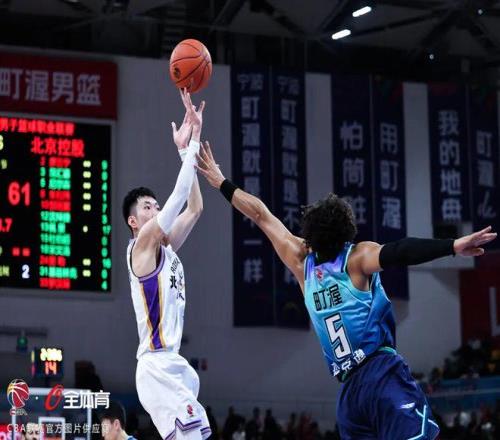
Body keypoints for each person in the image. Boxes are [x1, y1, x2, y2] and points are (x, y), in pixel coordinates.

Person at [195, 142, 497, 440]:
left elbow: (261, 215)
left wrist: (222, 182)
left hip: (350, 397)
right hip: (382, 375)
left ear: (310, 234)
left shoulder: (300, 263)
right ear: (346, 231)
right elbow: (401, 251)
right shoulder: (356, 259)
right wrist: (452, 246)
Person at [122, 89, 210, 440]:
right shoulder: (141, 246)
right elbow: (179, 198)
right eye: (147, 207)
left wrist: (184, 150)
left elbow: (195, 208)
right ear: (133, 221)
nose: (156, 210)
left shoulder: (166, 248)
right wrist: (194, 139)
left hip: (175, 364)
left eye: (156, 206)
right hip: (156, 366)